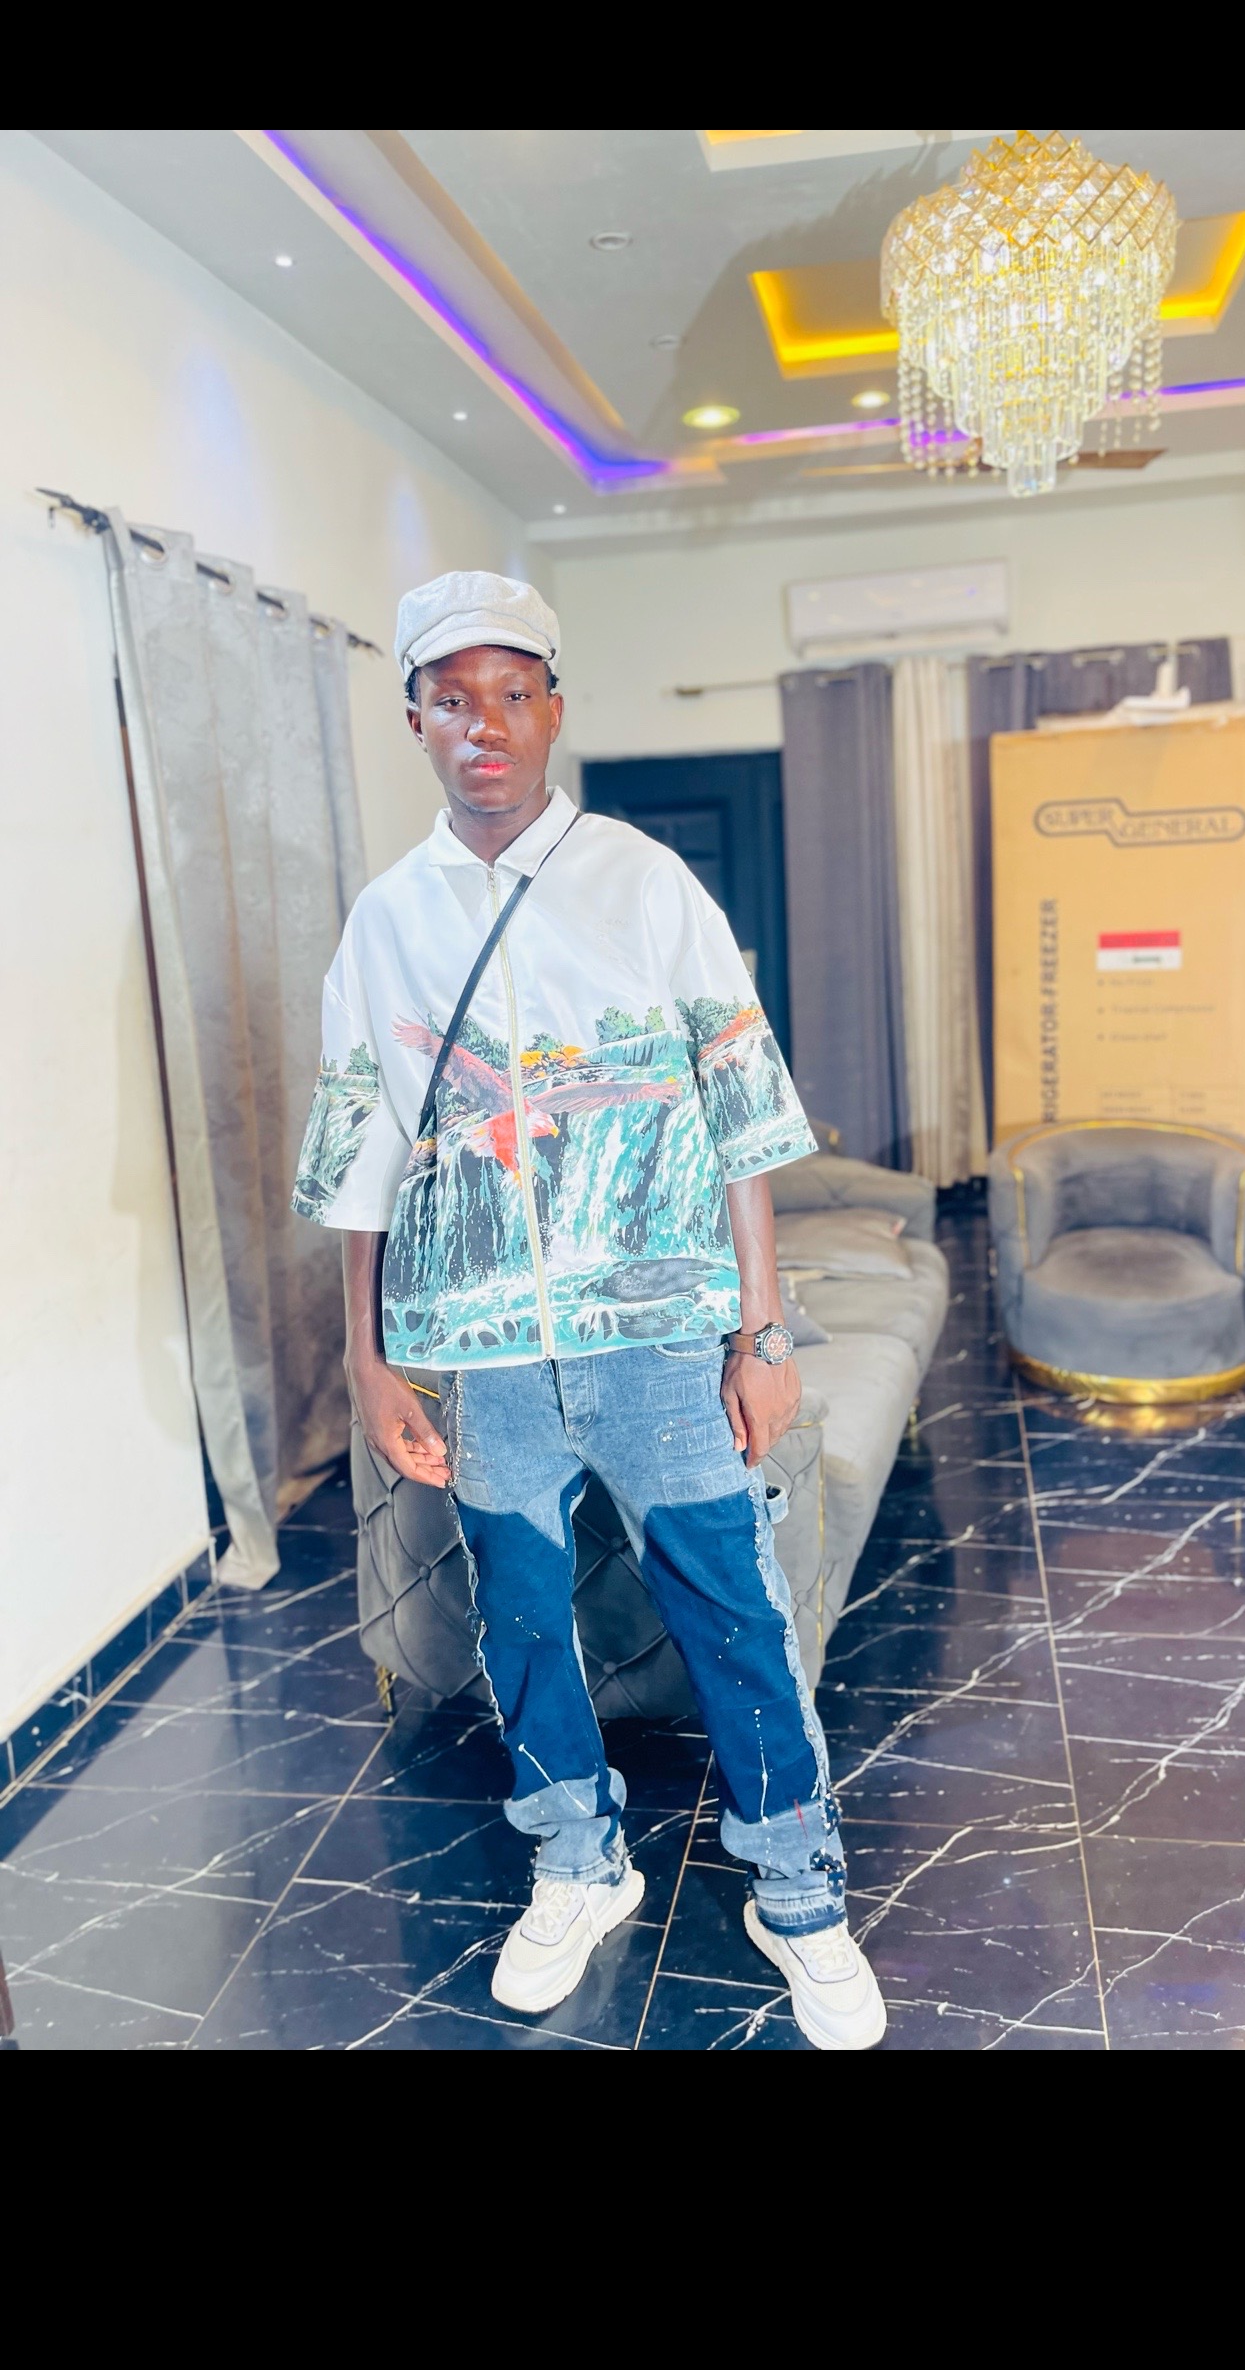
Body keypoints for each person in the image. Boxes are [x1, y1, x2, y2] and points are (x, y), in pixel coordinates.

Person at [294, 570, 885, 2051]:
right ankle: (576, 1859)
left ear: (553, 709)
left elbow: (739, 1107)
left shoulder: (642, 880)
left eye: (514, 694)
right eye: (452, 700)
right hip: (482, 1353)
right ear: (417, 720)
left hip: (659, 1336)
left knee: (732, 1606)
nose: (484, 726)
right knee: (517, 1614)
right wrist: (368, 1357)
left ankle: (798, 1886)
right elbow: (364, 1146)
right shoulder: (387, 919)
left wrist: (760, 1331)